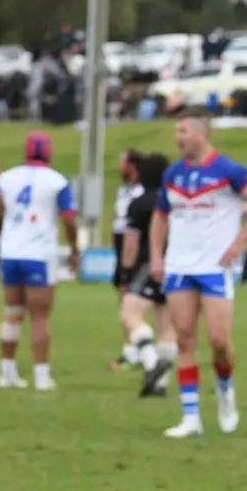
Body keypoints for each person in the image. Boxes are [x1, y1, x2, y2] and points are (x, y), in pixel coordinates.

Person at [145, 111, 247, 437]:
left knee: (219, 341)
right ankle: (191, 418)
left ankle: (225, 388)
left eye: (183, 131)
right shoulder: (173, 174)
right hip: (179, 266)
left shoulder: (228, 170)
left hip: (215, 267)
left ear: (202, 133)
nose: (178, 138)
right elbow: (160, 216)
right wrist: (157, 257)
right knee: (184, 338)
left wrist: (241, 240)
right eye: (176, 131)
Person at [0, 131, 79, 391]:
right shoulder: (57, 181)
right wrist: (74, 249)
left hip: (10, 253)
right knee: (40, 317)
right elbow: (69, 218)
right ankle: (41, 375)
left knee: (12, 313)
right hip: (39, 255)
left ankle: (7, 372)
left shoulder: (6, 178)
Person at [116, 152, 177, 398]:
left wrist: (124, 272)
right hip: (176, 265)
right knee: (166, 325)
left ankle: (151, 363)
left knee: (129, 314)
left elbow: (131, 243)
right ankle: (160, 384)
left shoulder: (139, 203)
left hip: (149, 265)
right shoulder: (175, 201)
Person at [110, 148, 145, 369]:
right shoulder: (123, 189)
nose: (119, 166)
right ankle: (132, 346)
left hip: (132, 244)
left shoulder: (141, 191)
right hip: (120, 242)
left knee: (130, 294)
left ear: (132, 165)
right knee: (123, 293)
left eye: (122, 161)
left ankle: (135, 348)